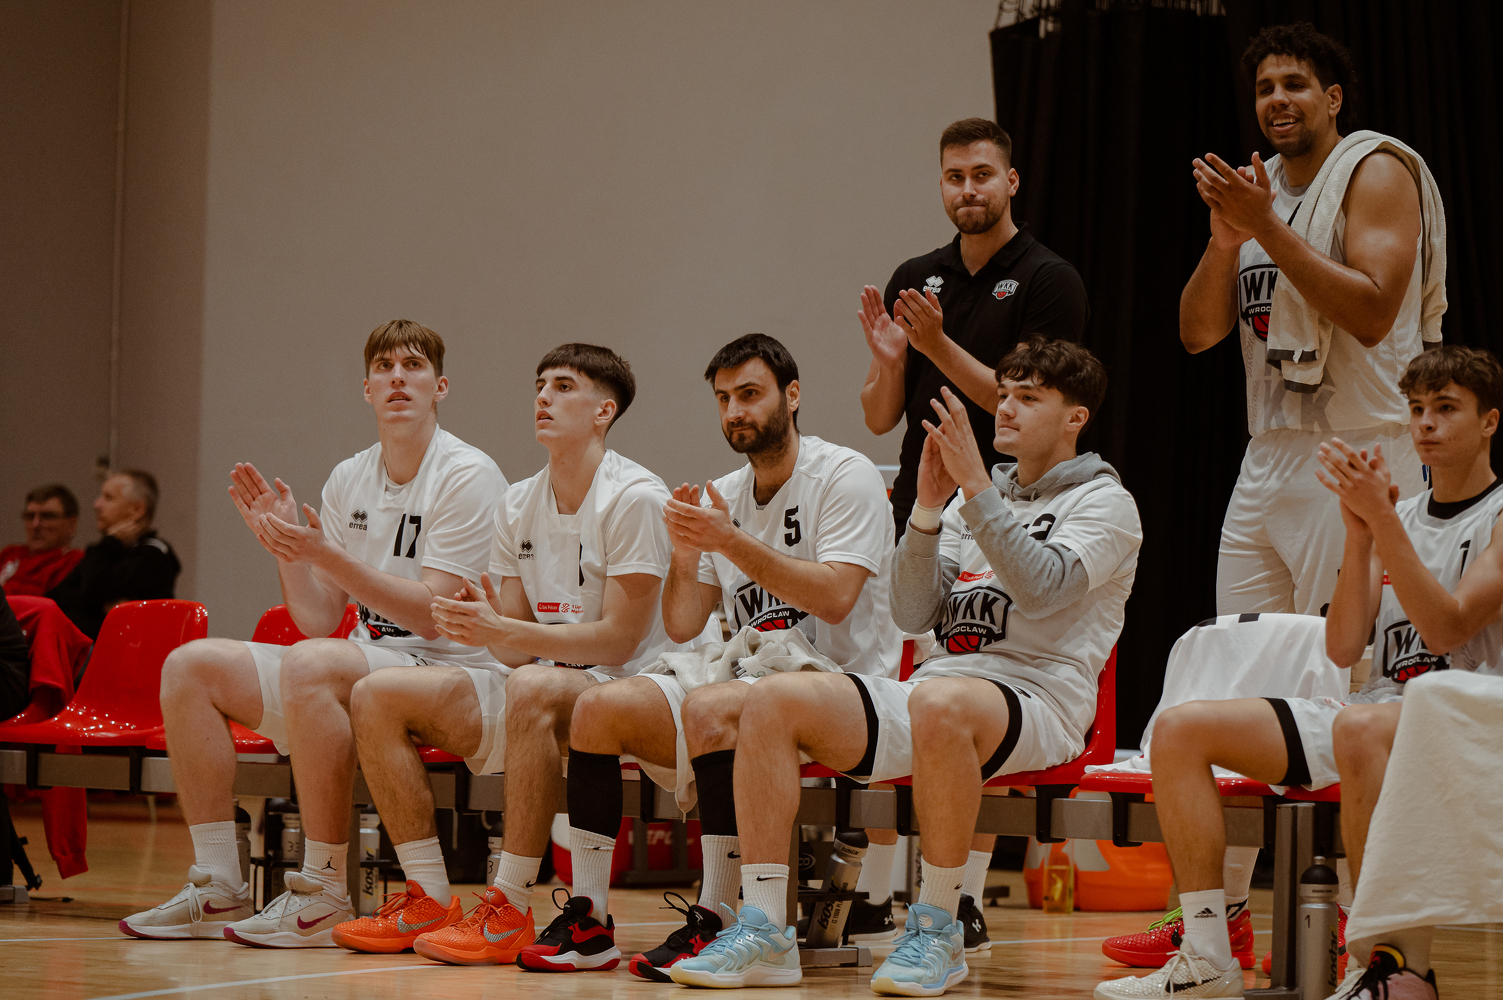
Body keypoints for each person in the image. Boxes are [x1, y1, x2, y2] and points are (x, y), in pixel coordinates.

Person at [676, 337, 1138, 994]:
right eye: (1003, 394)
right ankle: (766, 929)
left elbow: (1041, 589)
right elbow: (913, 610)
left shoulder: (1104, 502)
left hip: (1039, 698)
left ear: (1075, 418)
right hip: (936, 688)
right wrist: (925, 510)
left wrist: (975, 488)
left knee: (942, 705)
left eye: (1028, 398)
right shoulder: (971, 502)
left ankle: (938, 927)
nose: (1005, 409)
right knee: (770, 698)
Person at [1093, 345, 1503, 1000]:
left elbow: (1446, 630)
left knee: (1363, 730)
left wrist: (1381, 524)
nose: (1425, 423)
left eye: (1446, 408)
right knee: (1180, 729)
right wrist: (1360, 537)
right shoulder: (1396, 519)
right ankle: (1207, 953)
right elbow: (1340, 648)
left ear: (1488, 421)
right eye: (1417, 408)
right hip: (1376, 711)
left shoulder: (1497, 516)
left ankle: (1387, 967)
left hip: (1470, 718)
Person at [119, 320, 506, 946]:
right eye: (384, 367)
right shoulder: (349, 476)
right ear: (366, 388)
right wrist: (288, 551)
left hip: (456, 673)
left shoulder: (469, 473)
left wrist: (324, 554)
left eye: (413, 366)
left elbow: (432, 614)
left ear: (440, 387)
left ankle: (324, 888)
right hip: (369, 663)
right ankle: (218, 884)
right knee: (190, 666)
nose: (398, 377)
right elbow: (320, 618)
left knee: (311, 663)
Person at [556, 333, 902, 980]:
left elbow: (834, 598)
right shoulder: (724, 492)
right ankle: (590, 919)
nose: (735, 411)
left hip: (842, 687)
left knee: (712, 708)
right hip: (746, 677)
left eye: (749, 394)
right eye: (723, 399)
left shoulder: (844, 474)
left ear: (791, 395)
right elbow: (684, 624)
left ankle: (715, 912)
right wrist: (687, 558)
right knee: (596, 709)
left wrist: (730, 543)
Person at [335, 344, 684, 965]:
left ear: (604, 411)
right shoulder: (519, 501)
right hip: (546, 688)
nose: (543, 397)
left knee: (531, 687)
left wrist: (510, 635)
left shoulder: (634, 496)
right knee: (375, 695)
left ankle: (512, 902)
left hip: (640, 689)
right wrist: (483, 629)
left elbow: (619, 640)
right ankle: (427, 895)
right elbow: (512, 647)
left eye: (564, 386)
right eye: (540, 384)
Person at [1181, 23, 1441, 619]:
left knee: (1341, 659)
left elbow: (1372, 314)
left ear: (1333, 98)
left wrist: (1266, 227)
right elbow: (1197, 335)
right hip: (1267, 451)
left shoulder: (1375, 170)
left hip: (1360, 443)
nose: (1277, 99)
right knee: (1242, 652)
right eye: (1264, 88)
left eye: (1294, 84)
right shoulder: (1257, 189)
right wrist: (1224, 243)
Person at [860, 116, 1088, 537]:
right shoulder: (913, 276)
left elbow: (1023, 406)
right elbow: (878, 419)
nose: (968, 189)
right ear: (942, 186)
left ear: (1011, 181)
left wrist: (936, 345)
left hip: (1011, 505)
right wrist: (891, 365)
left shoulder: (1050, 279)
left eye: (982, 175)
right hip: (920, 502)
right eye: (955, 177)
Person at [47, 472, 179, 638]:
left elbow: (93, 589)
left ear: (137, 509)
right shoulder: (106, 549)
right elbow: (56, 600)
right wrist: (95, 605)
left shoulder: (154, 554)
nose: (96, 504)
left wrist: (109, 542)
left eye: (108, 498)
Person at [1, 484, 84, 597]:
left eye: (47, 516)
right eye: (30, 516)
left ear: (71, 524)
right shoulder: (9, 554)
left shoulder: (75, 562)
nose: (35, 525)